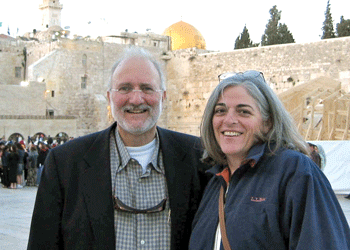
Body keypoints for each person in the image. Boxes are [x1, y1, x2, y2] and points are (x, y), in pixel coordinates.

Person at [28, 47, 209, 250]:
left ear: (163, 96)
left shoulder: (198, 158)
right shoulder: (66, 164)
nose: (136, 99)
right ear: (109, 96)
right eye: (124, 88)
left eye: (147, 88)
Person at [189, 70, 350, 250]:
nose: (229, 120)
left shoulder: (295, 172)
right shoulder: (214, 183)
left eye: (244, 111)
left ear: (268, 123)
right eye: (220, 111)